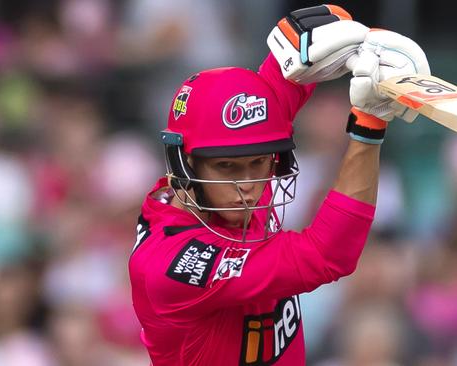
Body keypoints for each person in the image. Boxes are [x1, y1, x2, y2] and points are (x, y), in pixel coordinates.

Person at [128, 5, 429, 365]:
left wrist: (337, 38)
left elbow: (285, 75)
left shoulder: (234, 179)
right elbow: (326, 256)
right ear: (184, 162)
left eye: (258, 164)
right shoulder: (170, 264)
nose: (249, 188)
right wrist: (369, 125)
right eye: (227, 168)